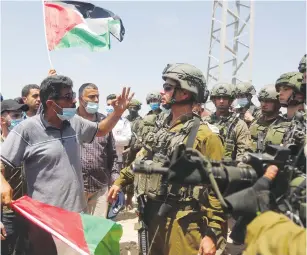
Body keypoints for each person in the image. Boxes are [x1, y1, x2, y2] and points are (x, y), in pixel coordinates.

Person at [1, 75, 133, 254]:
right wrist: (2, 182)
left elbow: (101, 130)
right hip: (45, 219)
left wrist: (117, 113)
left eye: (72, 95)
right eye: (67, 97)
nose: (73, 101)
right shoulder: (27, 130)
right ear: (50, 103)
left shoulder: (74, 122)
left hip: (76, 215)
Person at [108, 63, 227, 255]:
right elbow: (143, 161)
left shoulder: (206, 136)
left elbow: (219, 189)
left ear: (185, 93)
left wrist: (213, 233)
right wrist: (121, 181)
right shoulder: (160, 128)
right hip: (152, 214)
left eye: (168, 88)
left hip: (184, 222)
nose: (162, 92)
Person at [77, 83, 119, 217]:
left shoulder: (105, 122)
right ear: (80, 99)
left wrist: (115, 181)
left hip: (100, 187)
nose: (96, 100)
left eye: (97, 96)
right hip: (75, 189)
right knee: (76, 232)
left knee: (96, 233)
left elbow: (112, 154)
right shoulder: (69, 120)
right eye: (91, 97)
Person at [1, 99, 29, 255]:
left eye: (22, 115)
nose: (21, 119)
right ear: (2, 120)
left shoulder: (26, 143)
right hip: (6, 213)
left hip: (27, 209)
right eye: (16, 115)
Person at [204, 83, 251, 162]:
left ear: (230, 100)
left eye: (225, 98)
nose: (221, 101)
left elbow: (243, 153)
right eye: (218, 98)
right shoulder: (204, 122)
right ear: (213, 100)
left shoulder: (239, 124)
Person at [249, 84, 283, 152]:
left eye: (268, 101)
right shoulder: (256, 123)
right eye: (262, 100)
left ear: (277, 103)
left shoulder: (283, 126)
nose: (263, 104)